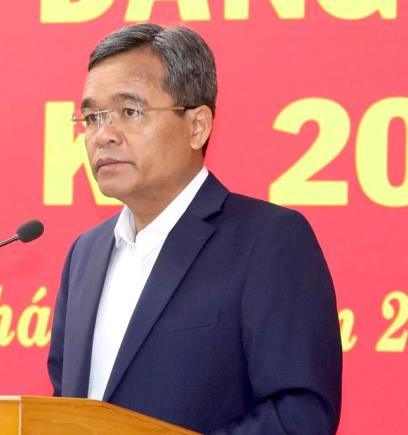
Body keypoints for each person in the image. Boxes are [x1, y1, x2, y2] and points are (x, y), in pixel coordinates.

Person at [47, 23, 342, 434]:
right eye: (93, 117)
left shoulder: (268, 241)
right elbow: (65, 408)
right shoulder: (86, 253)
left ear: (197, 125)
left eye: (129, 112)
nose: (103, 136)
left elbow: (299, 415)